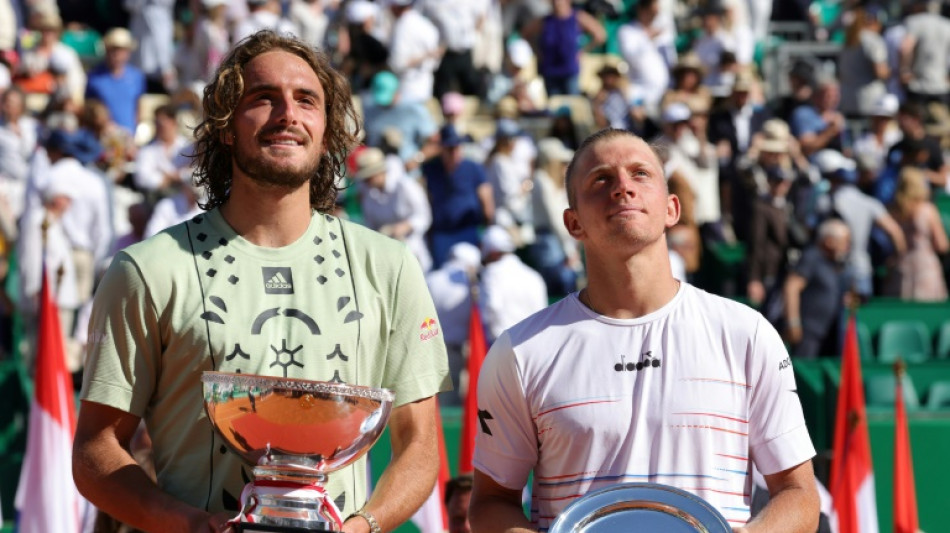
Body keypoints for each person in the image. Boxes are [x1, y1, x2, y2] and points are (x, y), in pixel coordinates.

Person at [73, 31, 450, 533]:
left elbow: (421, 444)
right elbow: (97, 449)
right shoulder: (147, 269)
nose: (288, 114)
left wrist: (362, 527)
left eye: (306, 100)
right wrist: (190, 524)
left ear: (326, 128)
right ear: (226, 127)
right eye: (263, 98)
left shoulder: (389, 266)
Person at [470, 128, 819, 532]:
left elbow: (799, 495)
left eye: (640, 174)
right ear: (573, 222)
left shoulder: (746, 334)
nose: (622, 187)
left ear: (672, 209)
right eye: (601, 179)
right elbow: (491, 504)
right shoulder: (520, 351)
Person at [782, 219, 852, 359]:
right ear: (829, 241)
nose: (847, 247)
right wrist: (793, 322)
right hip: (808, 333)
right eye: (845, 241)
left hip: (829, 333)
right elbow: (791, 287)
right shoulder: (811, 257)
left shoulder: (836, 264)